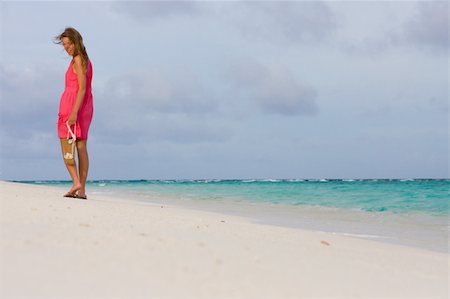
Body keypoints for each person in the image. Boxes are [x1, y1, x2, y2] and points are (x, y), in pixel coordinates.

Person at [54, 27, 93, 200]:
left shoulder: (78, 60)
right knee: (80, 146)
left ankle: (76, 182)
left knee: (67, 145)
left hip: (74, 106)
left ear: (77, 41)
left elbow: (82, 88)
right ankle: (81, 190)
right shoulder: (84, 60)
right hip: (84, 105)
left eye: (69, 44)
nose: (67, 48)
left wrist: (73, 112)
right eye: (64, 45)